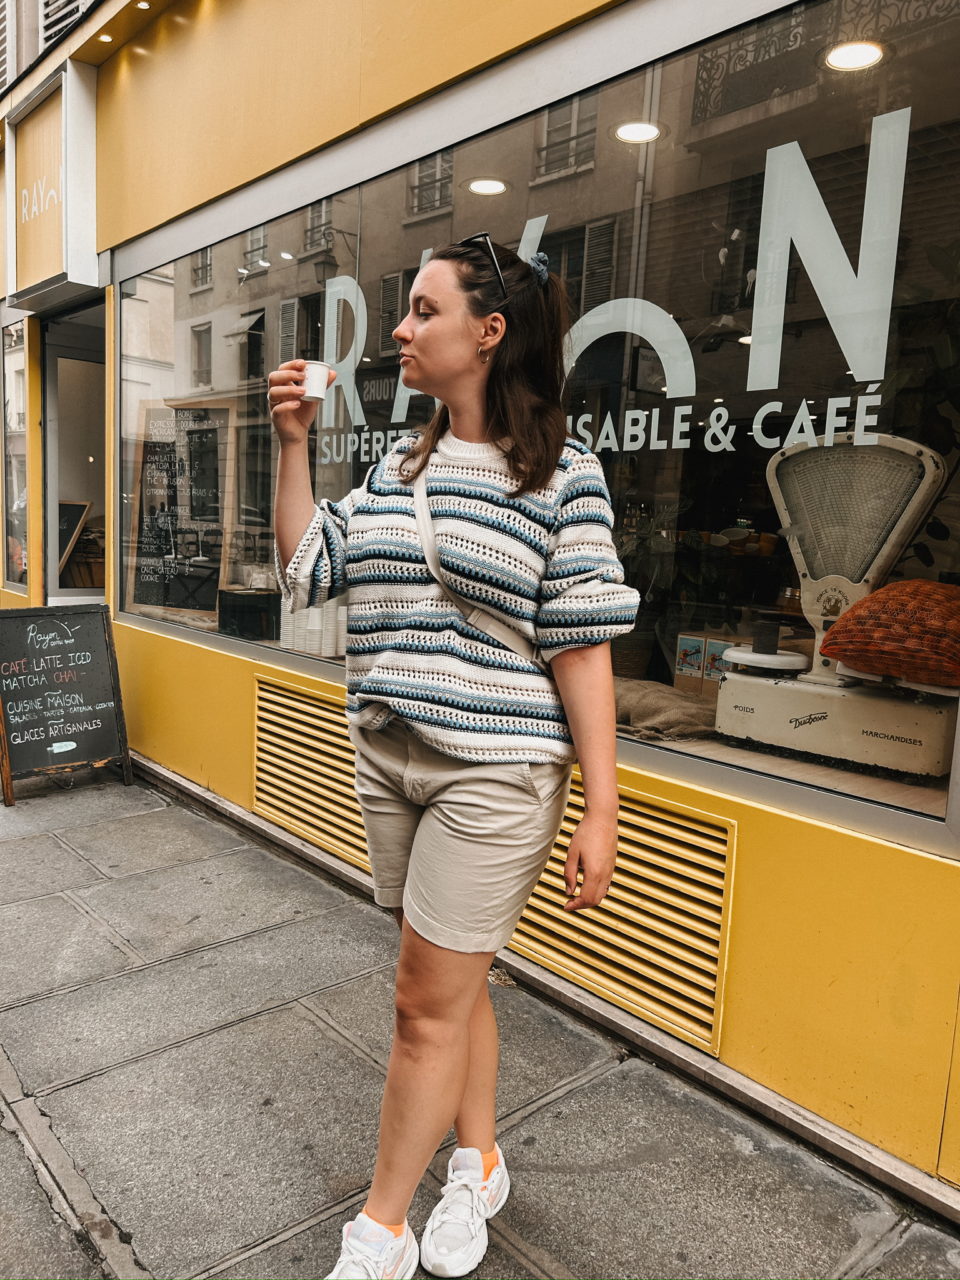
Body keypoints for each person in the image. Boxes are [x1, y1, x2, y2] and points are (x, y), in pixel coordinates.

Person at [269, 233, 639, 1280]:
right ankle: (478, 1159)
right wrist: (293, 443)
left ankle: (377, 1232)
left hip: (496, 769)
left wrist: (601, 808)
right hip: (389, 756)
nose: (399, 329)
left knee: (421, 999)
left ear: (489, 333)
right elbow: (308, 567)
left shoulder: (567, 475)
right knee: (452, 984)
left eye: (422, 311)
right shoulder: (402, 460)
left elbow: (585, 642)